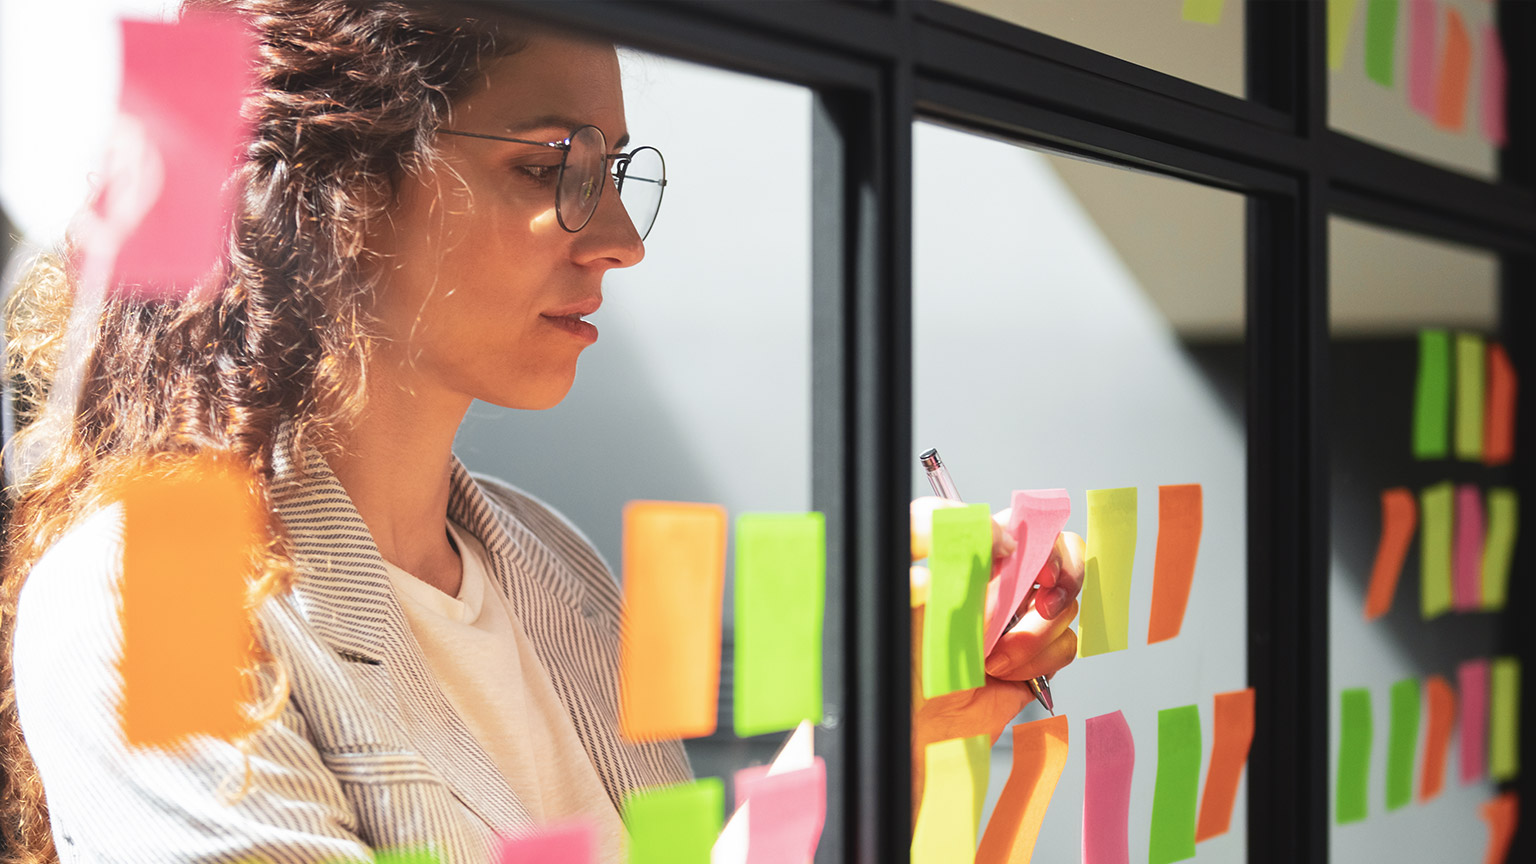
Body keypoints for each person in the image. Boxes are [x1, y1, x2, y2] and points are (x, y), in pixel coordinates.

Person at [0, 1, 1083, 862]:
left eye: (613, 172)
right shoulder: (158, 595)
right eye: (551, 166)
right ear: (340, 190)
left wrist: (888, 731)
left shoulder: (550, 562)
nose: (619, 240)